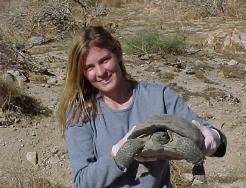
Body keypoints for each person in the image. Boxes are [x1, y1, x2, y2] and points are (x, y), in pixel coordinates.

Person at [57, 26, 227, 188]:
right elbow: (82, 181)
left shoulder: (159, 96)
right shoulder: (81, 113)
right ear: (83, 73)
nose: (100, 72)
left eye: (105, 60)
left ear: (118, 53)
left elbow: (213, 138)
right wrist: (117, 155)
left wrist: (213, 137)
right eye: (90, 67)